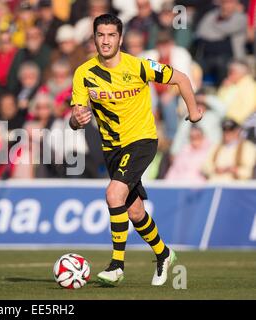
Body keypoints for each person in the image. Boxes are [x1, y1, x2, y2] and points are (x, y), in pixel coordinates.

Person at [69, 14, 202, 286]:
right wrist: (76, 120)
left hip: (141, 140)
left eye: (111, 35)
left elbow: (182, 78)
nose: (105, 41)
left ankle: (117, 266)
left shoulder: (139, 66)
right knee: (135, 212)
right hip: (112, 148)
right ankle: (164, 253)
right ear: (94, 38)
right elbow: (76, 116)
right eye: (100, 35)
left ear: (120, 38)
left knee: (113, 194)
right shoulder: (84, 73)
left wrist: (194, 111)